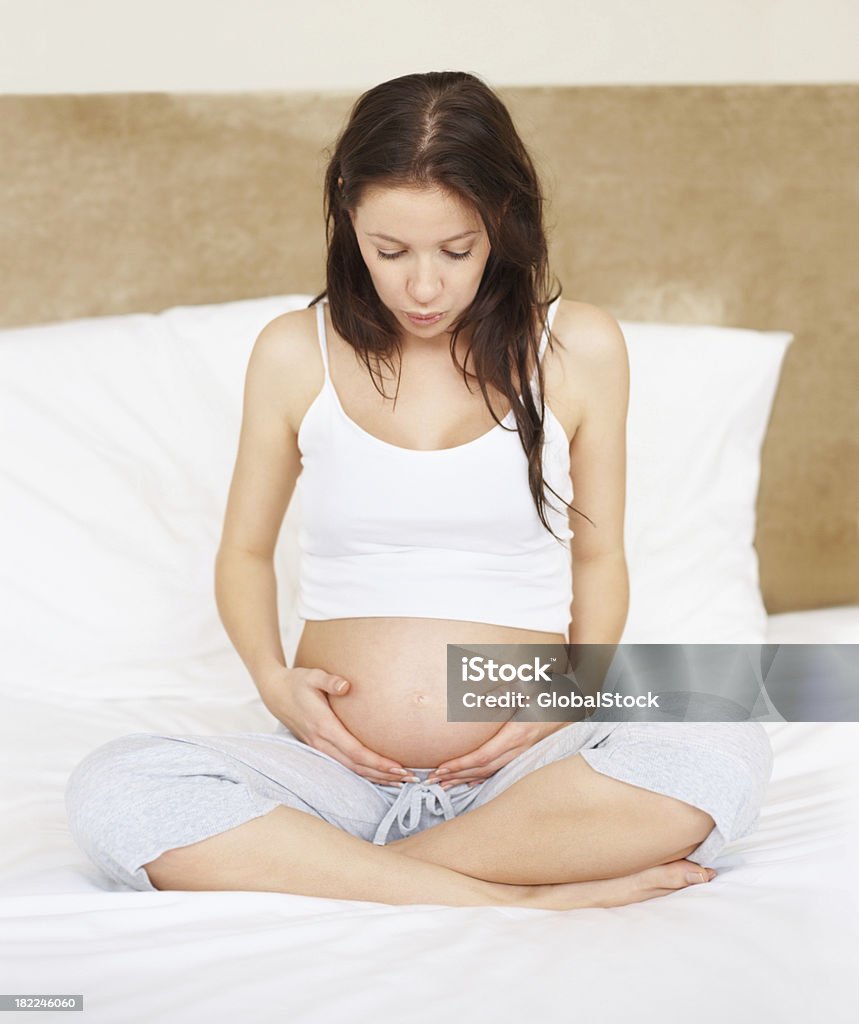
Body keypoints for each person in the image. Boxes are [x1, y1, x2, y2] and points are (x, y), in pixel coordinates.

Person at [65, 71, 772, 911]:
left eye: (456, 250)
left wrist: (569, 696)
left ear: (502, 223)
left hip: (523, 774)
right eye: (389, 251)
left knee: (720, 736)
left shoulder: (578, 345)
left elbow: (601, 553)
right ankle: (511, 893)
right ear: (347, 219)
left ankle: (353, 871)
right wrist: (270, 677)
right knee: (112, 788)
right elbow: (245, 552)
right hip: (336, 776)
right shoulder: (295, 351)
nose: (423, 287)